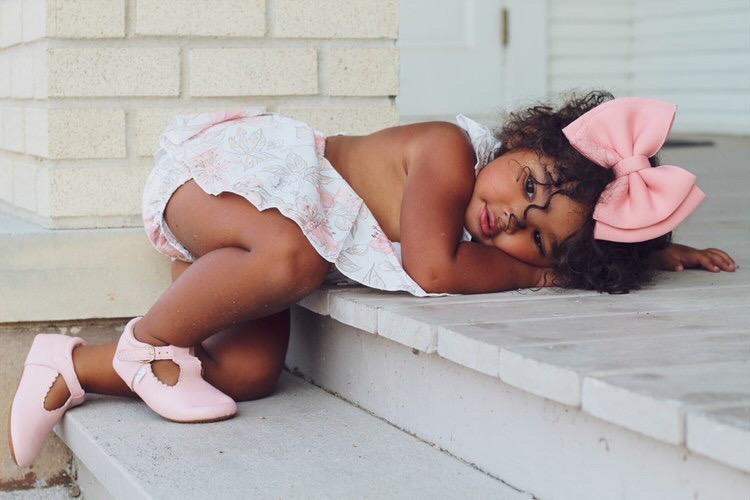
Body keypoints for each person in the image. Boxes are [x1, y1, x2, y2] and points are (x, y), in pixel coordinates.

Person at [9, 90, 736, 467]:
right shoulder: (447, 152)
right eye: (528, 185)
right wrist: (548, 272)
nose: (512, 218)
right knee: (297, 260)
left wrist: (637, 255)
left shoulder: (490, 196)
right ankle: (148, 345)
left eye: (536, 236)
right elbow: (433, 268)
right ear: (519, 141)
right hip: (227, 179)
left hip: (251, 238)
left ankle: (73, 365)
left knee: (253, 372)